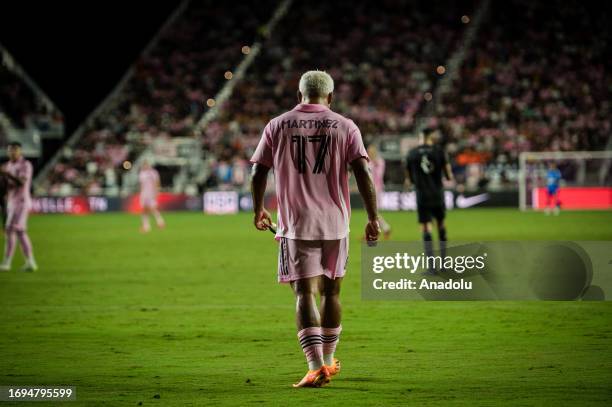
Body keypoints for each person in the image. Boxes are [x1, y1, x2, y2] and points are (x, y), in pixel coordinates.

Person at [250, 70, 380, 388]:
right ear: (330, 97)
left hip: (296, 224)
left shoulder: (277, 125)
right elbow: (362, 170)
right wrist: (373, 216)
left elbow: (257, 171)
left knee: (304, 293)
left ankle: (315, 365)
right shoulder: (346, 126)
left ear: (299, 95)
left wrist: (258, 208)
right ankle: (330, 360)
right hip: (336, 223)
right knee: (332, 292)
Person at [405, 128, 453, 271]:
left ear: (420, 137)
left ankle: (431, 267)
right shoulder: (439, 152)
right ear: (431, 137)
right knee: (441, 225)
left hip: (422, 195)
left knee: (426, 227)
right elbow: (449, 176)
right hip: (437, 194)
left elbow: (409, 180)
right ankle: (444, 264)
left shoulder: (411, 154)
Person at [0, 141, 37, 271]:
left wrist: (6, 174)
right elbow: (6, 186)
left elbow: (21, 182)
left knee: (10, 229)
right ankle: (30, 262)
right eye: (10, 150)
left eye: (15, 150)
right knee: (20, 232)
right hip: (11, 202)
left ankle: (7, 262)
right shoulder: (8, 165)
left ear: (20, 151)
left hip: (21, 201)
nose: (12, 152)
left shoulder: (25, 165)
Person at [367, 144, 391, 239]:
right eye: (369, 152)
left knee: (373, 212)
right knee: (372, 212)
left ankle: (375, 232)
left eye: (371, 151)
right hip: (369, 189)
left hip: (377, 189)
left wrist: (374, 165)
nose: (370, 153)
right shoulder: (369, 162)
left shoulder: (379, 162)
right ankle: (384, 229)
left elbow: (379, 175)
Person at [138, 160, 165, 232]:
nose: (145, 166)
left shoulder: (153, 172)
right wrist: (141, 193)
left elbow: (157, 182)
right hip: (144, 193)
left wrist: (157, 191)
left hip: (151, 193)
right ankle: (147, 226)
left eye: (146, 164)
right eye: (144, 165)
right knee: (144, 209)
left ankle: (160, 222)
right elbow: (141, 184)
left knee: (153, 208)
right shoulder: (142, 173)